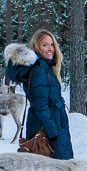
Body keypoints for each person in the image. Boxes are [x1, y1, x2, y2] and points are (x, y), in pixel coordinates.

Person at [4, 29, 74, 160]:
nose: (50, 49)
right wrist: (54, 134)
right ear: (37, 47)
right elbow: (41, 106)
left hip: (50, 123)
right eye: (45, 45)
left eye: (52, 45)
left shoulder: (45, 68)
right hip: (47, 128)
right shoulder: (40, 70)